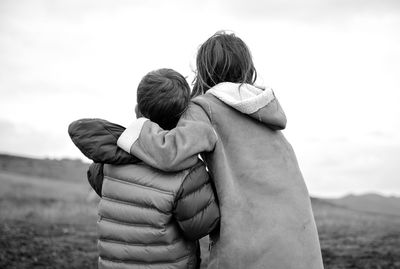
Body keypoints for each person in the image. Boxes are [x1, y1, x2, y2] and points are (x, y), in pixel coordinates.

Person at [116, 31, 325, 269]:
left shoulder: (205, 109)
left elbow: (169, 153)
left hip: (250, 240)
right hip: (300, 236)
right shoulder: (263, 109)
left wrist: (138, 127)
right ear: (247, 67)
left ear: (204, 69)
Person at [68, 68, 220, 269]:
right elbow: (201, 226)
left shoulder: (109, 160)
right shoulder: (190, 171)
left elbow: (96, 180)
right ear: (183, 118)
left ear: (137, 110)